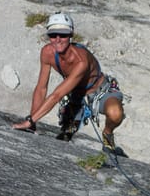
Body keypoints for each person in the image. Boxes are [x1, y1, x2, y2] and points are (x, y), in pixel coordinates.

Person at [12, 12, 127, 156]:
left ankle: (107, 134)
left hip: (100, 91)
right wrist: (33, 122)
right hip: (76, 94)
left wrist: (29, 121)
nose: (58, 39)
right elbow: (41, 88)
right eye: (53, 35)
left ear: (71, 35)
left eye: (63, 34)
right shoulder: (47, 53)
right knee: (65, 136)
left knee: (115, 114)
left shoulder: (81, 60)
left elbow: (57, 95)